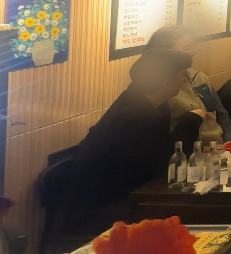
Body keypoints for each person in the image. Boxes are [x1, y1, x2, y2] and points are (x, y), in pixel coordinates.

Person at [72, 50, 204, 208]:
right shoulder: (132, 117)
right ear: (166, 84)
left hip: (132, 191)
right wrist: (190, 121)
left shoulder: (145, 101)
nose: (183, 81)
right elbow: (162, 163)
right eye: (182, 76)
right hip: (103, 200)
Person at [146, 26, 231, 144]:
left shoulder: (199, 77)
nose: (193, 52)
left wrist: (229, 141)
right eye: (187, 48)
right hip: (190, 150)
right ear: (166, 52)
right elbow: (166, 135)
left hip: (219, 145)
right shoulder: (162, 88)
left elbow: (221, 114)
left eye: (193, 47)